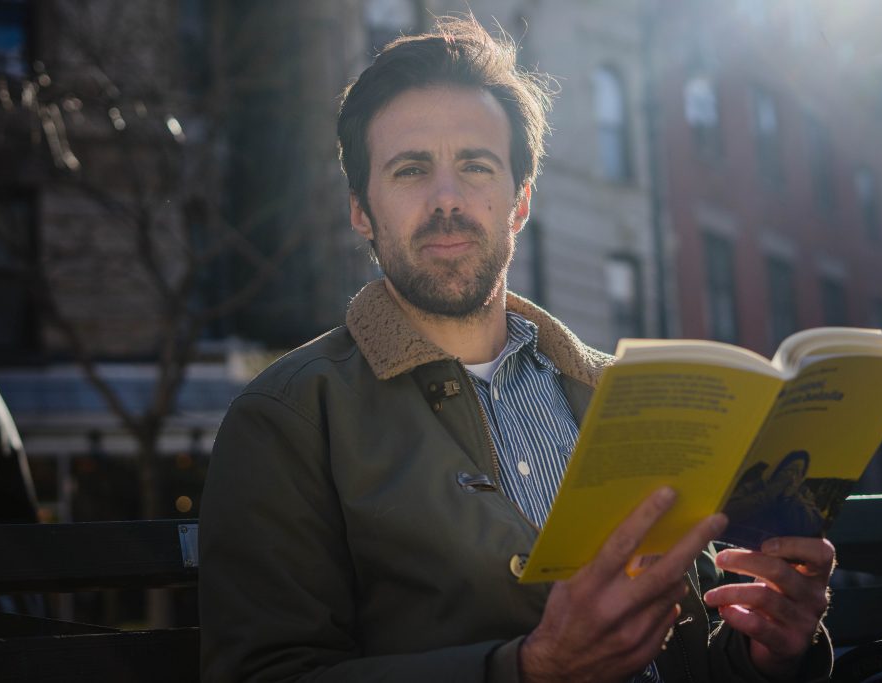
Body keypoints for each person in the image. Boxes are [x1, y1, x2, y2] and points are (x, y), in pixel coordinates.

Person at [199, 16, 835, 683]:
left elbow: (693, 660)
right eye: (411, 170)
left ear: (520, 200)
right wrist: (530, 669)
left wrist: (772, 650)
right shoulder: (289, 417)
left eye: (475, 166)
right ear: (362, 208)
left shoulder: (620, 396)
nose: (447, 200)